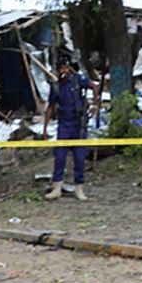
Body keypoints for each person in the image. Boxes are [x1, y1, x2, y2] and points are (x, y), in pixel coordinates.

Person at [43, 55, 99, 201]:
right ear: (57, 70)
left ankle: (79, 188)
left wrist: (94, 104)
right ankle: (57, 188)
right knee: (60, 157)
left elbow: (94, 86)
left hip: (79, 124)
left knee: (79, 158)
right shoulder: (56, 87)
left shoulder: (77, 80)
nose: (64, 71)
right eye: (62, 68)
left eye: (66, 68)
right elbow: (50, 107)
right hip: (64, 125)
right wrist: (45, 128)